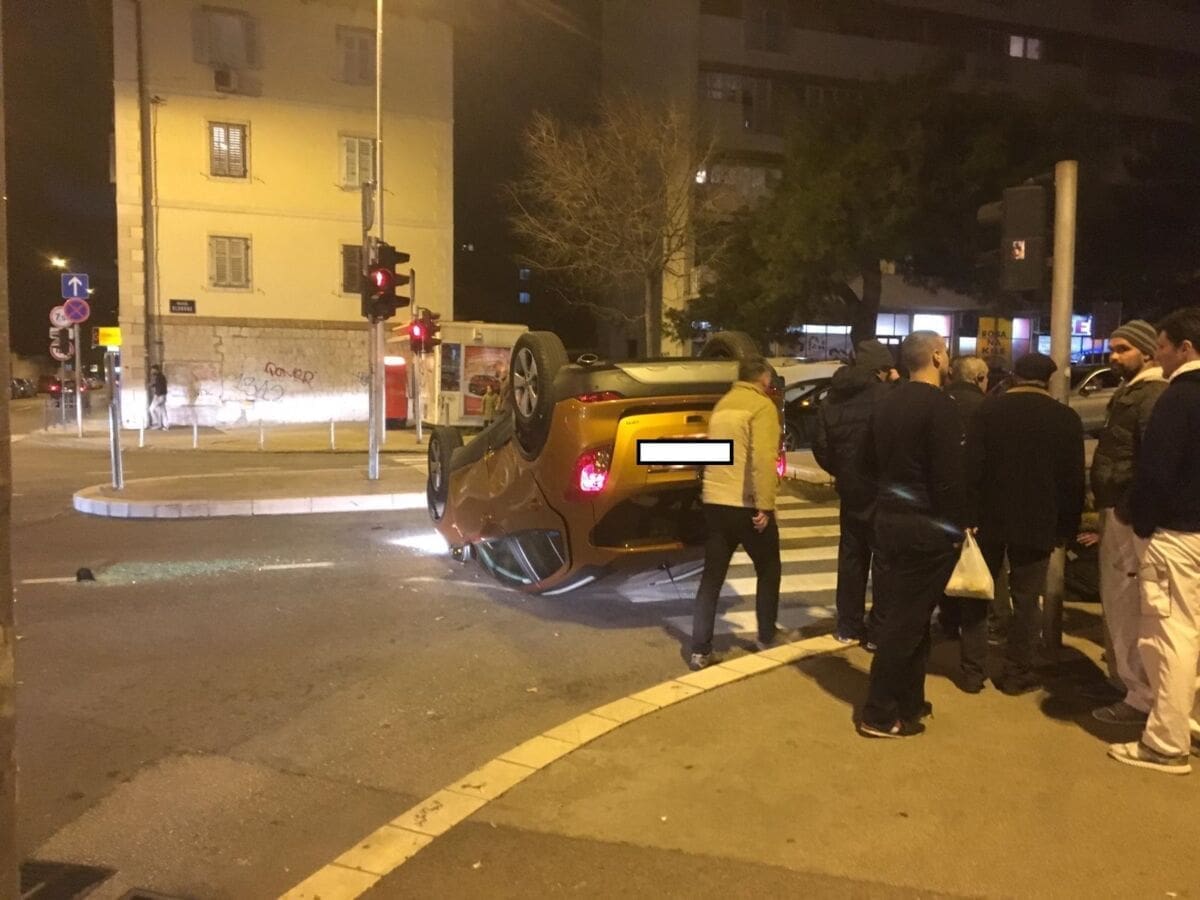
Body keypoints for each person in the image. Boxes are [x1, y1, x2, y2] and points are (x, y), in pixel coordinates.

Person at [859, 331, 967, 738]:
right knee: (906, 623)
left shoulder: (884, 402)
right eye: (946, 351)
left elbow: (864, 463)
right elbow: (948, 478)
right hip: (927, 528)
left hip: (889, 522)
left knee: (911, 617)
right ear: (937, 356)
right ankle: (879, 712)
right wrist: (956, 526)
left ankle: (909, 701)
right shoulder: (941, 406)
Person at [1108, 307, 1200, 775]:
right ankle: (1188, 721)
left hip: (1175, 534)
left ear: (1185, 348)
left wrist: (1141, 523)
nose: (1157, 355)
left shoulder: (1178, 398)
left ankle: (1165, 742)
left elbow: (1156, 473)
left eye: (1161, 346)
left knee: (1168, 637)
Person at [970, 353, 1085, 696]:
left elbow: (972, 466)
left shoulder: (988, 411)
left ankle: (972, 669)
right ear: (1048, 380)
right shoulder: (1064, 418)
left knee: (979, 592)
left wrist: (969, 515)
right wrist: (1067, 526)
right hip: (1038, 519)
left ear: (1014, 376)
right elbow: (1072, 480)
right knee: (1026, 598)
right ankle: (1016, 671)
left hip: (989, 517)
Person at [1087, 320, 1167, 724]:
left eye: (1123, 349)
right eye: (1113, 349)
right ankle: (1129, 681)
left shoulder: (1151, 394)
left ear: (1148, 352)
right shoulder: (1133, 390)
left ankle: (1138, 695)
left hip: (1127, 514)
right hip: (1120, 508)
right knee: (1122, 601)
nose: (1114, 356)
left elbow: (1152, 457)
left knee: (1128, 603)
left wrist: (1126, 507)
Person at [689, 357, 782, 671]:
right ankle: (766, 636)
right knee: (768, 568)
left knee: (711, 578)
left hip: (715, 504)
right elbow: (762, 459)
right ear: (763, 377)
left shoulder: (723, 405)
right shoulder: (761, 407)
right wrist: (764, 505)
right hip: (745, 505)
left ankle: (700, 650)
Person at [812, 339, 897, 648]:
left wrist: (843, 470)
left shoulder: (831, 399)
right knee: (884, 561)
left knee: (851, 557)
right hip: (882, 490)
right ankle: (878, 632)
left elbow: (821, 447)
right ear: (880, 370)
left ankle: (848, 625)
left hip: (850, 490)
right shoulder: (887, 397)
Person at [939, 356, 990, 640]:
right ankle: (969, 623)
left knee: (945, 560)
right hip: (973, 497)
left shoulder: (939, 402)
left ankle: (947, 617)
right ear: (979, 378)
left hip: (940, 496)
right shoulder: (987, 408)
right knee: (973, 562)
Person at [148, 364, 168, 431]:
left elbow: (161, 387)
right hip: (161, 396)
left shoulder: (160, 377)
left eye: (152, 370)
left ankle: (157, 424)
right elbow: (159, 385)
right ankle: (165, 426)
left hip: (159, 396)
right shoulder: (160, 377)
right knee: (162, 411)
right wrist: (153, 385)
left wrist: (157, 395)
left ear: (156, 370)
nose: (151, 372)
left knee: (151, 409)